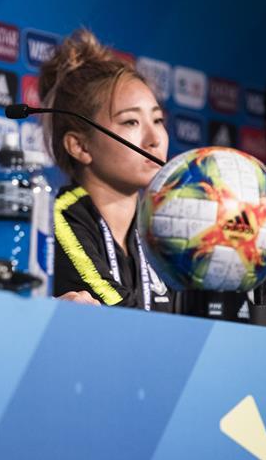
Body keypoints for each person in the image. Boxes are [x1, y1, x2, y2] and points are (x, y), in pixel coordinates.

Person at [39, 28, 173, 311]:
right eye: (131, 122)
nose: (154, 138)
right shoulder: (59, 219)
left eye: (158, 120)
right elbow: (119, 316)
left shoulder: (164, 229)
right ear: (80, 146)